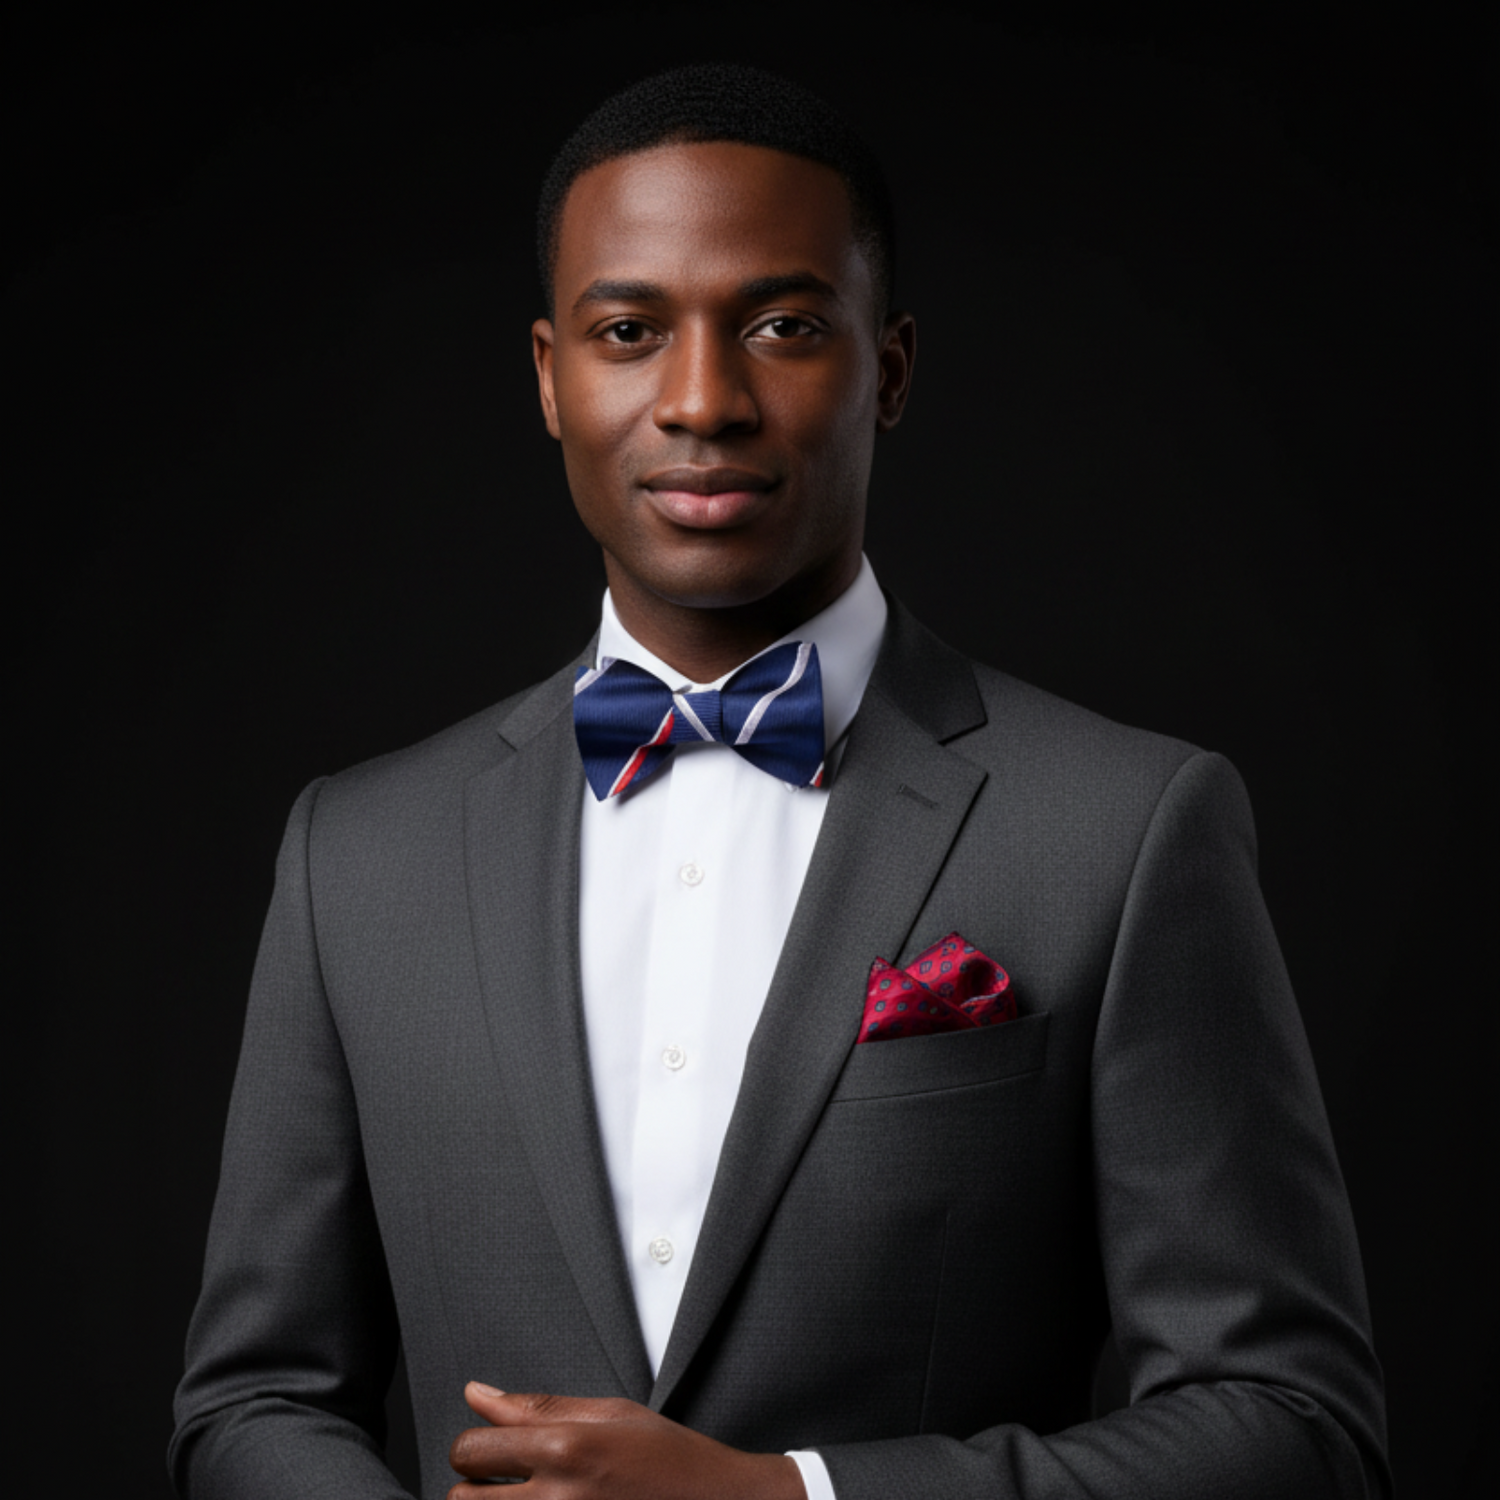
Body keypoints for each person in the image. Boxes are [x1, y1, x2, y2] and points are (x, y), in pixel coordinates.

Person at [170, 63, 1392, 1500]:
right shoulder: (355, 857)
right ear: (552, 378)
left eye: (784, 326)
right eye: (631, 330)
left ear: (888, 366)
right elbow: (248, 1405)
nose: (702, 400)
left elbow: (1294, 1425)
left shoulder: (1126, 831)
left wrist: (789, 1497)